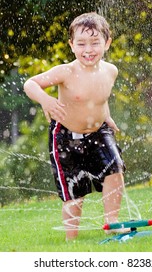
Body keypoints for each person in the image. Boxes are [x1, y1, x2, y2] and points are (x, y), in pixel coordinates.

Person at [24, 12, 127, 240]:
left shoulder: (111, 71)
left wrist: (107, 117)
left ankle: (113, 222)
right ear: (71, 45)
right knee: (74, 190)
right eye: (81, 44)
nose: (88, 50)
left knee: (115, 170)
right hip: (66, 136)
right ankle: (71, 240)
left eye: (95, 43)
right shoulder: (66, 71)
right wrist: (46, 100)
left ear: (107, 43)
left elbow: (100, 97)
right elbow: (30, 83)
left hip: (99, 131)